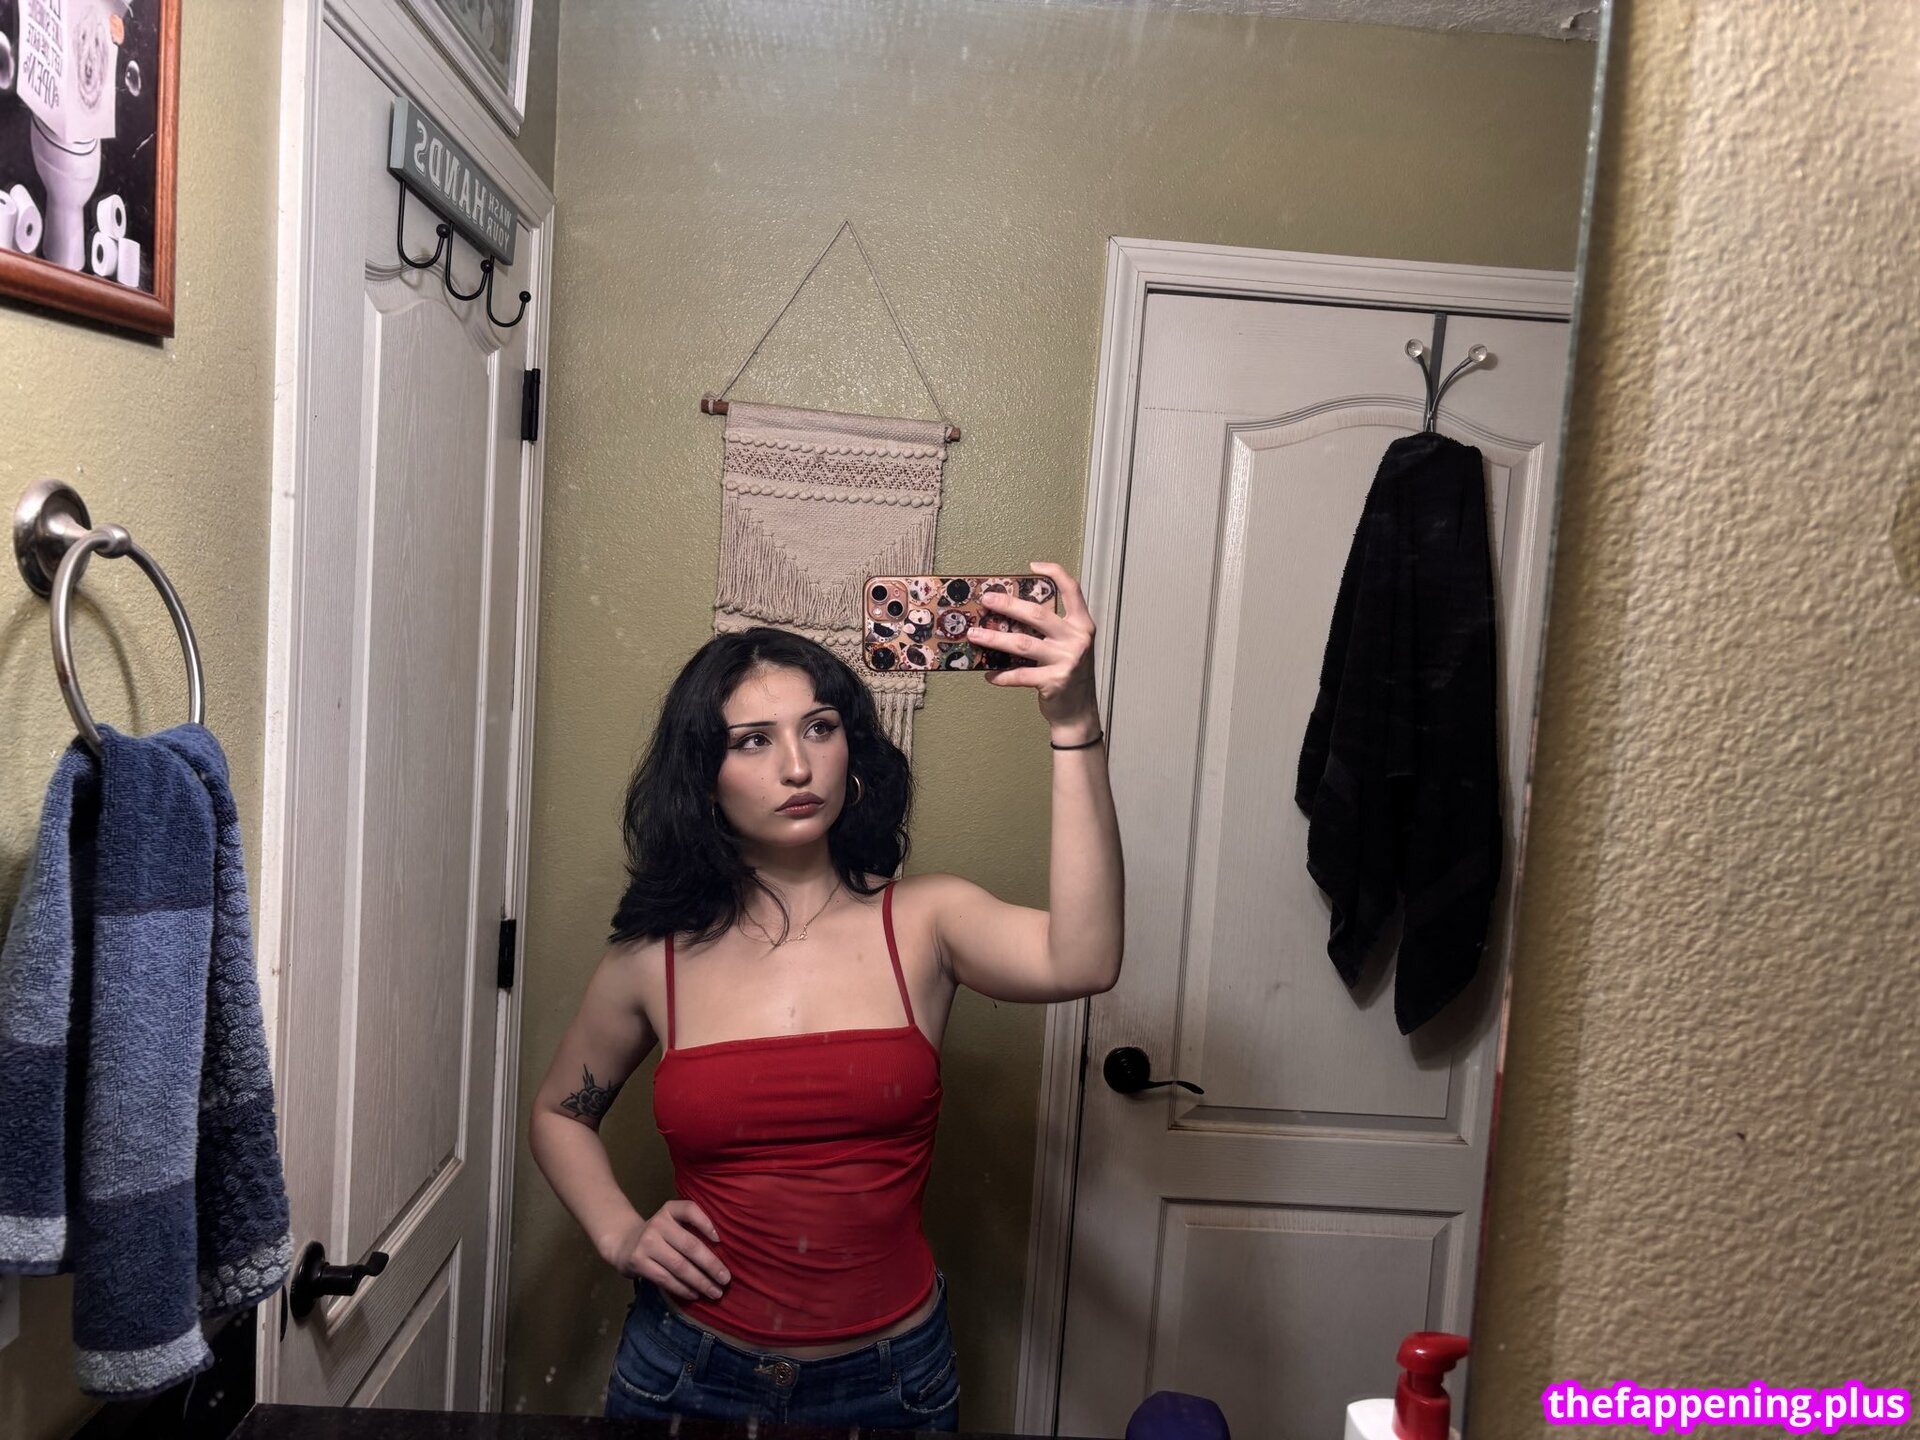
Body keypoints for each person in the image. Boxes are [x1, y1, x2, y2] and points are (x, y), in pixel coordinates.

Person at [529, 562, 1125, 1431]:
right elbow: (559, 1113)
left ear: (854, 748)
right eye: (752, 741)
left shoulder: (927, 921)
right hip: (687, 1374)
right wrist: (620, 1232)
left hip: (891, 1386)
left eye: (820, 727)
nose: (797, 764)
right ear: (703, 776)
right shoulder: (652, 960)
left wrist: (1073, 724)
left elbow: (1085, 958)